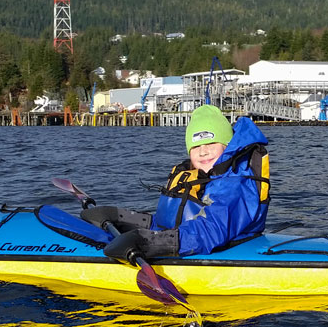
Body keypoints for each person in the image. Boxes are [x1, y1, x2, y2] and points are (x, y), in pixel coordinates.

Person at [83, 105, 269, 261]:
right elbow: (171, 223)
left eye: (211, 144)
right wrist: (120, 217)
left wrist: (151, 243)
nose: (203, 152)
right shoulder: (201, 177)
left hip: (225, 246)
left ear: (227, 147)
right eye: (195, 146)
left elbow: (211, 230)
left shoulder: (235, 185)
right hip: (194, 240)